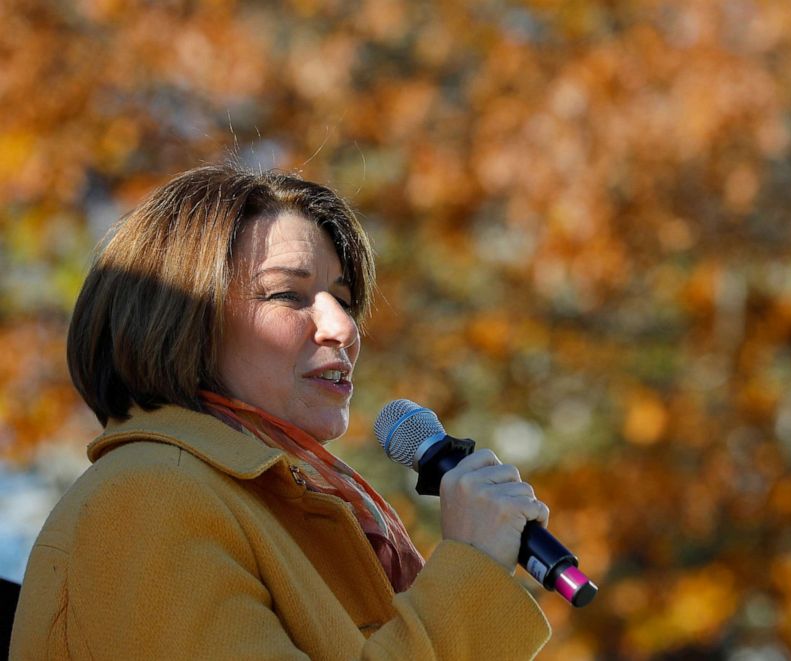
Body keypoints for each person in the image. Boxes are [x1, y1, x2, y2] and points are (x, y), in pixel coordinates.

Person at [10, 165, 551, 659]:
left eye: (343, 298)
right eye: (288, 296)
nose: (343, 328)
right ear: (182, 322)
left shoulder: (272, 505)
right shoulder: (150, 493)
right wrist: (471, 565)